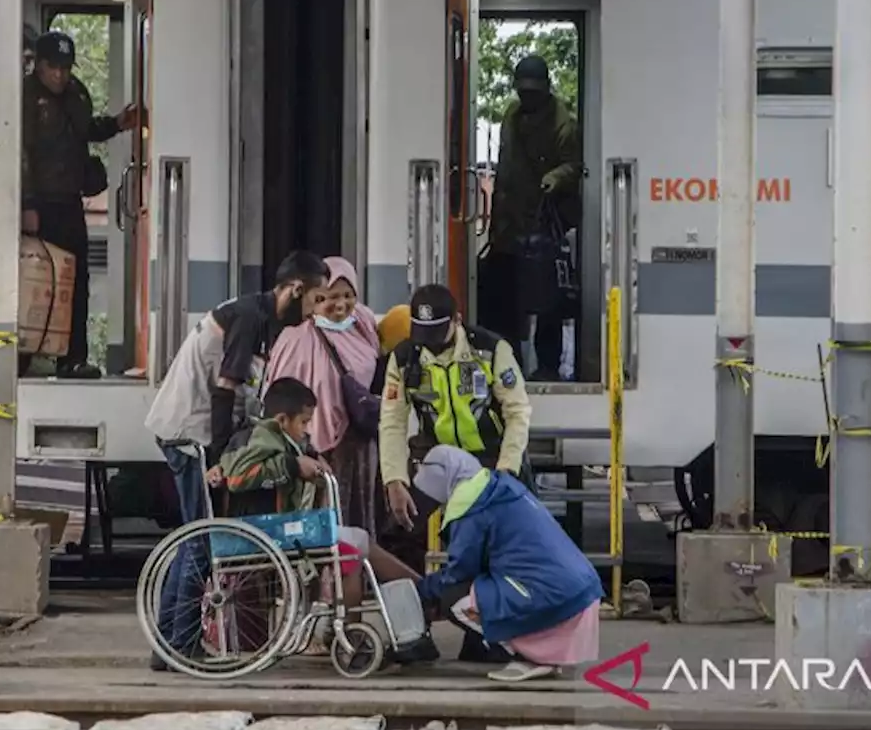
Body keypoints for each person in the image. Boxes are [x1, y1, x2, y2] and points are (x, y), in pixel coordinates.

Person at [143, 250, 331, 671]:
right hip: (189, 432)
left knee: (196, 538)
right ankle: (175, 644)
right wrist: (226, 457)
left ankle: (170, 645)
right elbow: (225, 390)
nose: (318, 310)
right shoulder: (248, 317)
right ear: (296, 289)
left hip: (196, 431)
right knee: (200, 540)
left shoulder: (262, 320)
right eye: (317, 299)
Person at [212, 377, 438, 664]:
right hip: (265, 531)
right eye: (304, 423)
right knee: (351, 551)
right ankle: (359, 633)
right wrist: (293, 466)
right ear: (282, 420)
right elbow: (237, 477)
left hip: (280, 528)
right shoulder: (260, 437)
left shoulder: (277, 439)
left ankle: (425, 592)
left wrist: (309, 459)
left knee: (358, 540)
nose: (307, 430)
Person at [378, 283, 533, 663]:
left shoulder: (491, 350)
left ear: (458, 321)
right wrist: (394, 481)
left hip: (492, 459)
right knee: (397, 536)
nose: (430, 344)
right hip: (436, 457)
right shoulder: (405, 357)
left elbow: (518, 413)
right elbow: (392, 422)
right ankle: (411, 633)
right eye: (422, 335)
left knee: (497, 547)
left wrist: (507, 472)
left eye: (438, 335)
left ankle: (489, 636)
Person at [413, 445, 602, 682]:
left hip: (555, 599)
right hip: (581, 593)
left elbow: (459, 573)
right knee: (477, 587)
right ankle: (548, 655)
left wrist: (420, 590)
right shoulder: (501, 487)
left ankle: (529, 656)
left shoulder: (471, 508)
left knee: (453, 597)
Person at [19, 29, 143, 379]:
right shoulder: (25, 97)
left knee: (75, 280)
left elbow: (86, 129)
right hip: (38, 204)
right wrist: (28, 203)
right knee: (36, 278)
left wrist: (118, 124)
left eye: (65, 68)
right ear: (39, 66)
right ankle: (25, 356)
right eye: (52, 67)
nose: (59, 75)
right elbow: (21, 152)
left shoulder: (76, 93)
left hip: (70, 202)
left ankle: (72, 358)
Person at [479, 53, 583, 381]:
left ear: (546, 89)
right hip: (509, 223)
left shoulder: (564, 124)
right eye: (523, 90)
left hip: (543, 225)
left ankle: (548, 367)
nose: (528, 96)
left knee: (547, 298)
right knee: (503, 295)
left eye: (533, 90)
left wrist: (555, 177)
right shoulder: (511, 114)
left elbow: (575, 165)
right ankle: (508, 362)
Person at [264, 257, 381, 536]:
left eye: (348, 295)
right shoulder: (296, 337)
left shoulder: (362, 324)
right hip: (319, 445)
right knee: (326, 519)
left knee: (358, 518)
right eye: (330, 297)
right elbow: (280, 391)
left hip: (360, 441)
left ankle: (359, 572)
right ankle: (329, 580)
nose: (341, 304)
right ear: (316, 298)